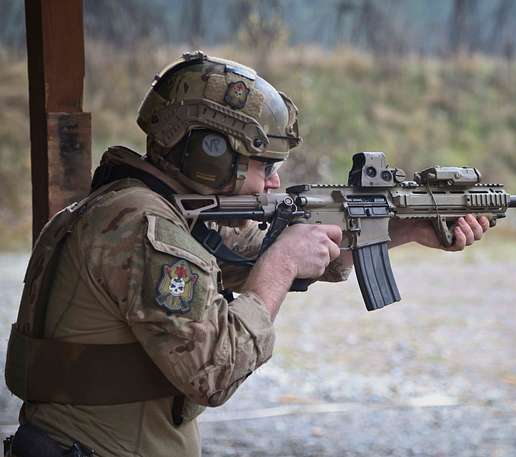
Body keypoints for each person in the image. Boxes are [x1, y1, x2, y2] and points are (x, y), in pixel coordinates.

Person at [4, 52, 490, 457]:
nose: (274, 180)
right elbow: (215, 371)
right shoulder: (145, 230)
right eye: (265, 163)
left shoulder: (128, 211)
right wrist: (279, 266)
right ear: (210, 153)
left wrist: (403, 229)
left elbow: (281, 253)